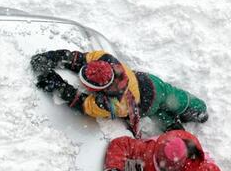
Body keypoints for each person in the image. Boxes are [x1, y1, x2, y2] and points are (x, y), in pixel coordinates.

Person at [30, 49, 209, 134]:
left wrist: (59, 85)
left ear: (99, 89)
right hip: (149, 82)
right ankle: (190, 112)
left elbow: (82, 103)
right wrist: (51, 58)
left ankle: (185, 122)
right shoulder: (106, 59)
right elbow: (77, 59)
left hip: (145, 105)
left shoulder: (116, 104)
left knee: (162, 111)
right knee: (176, 98)